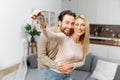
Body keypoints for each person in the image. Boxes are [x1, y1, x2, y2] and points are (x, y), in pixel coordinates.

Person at [31, 10, 89, 80]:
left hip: (63, 71)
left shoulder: (71, 36)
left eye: (72, 23)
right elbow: (42, 56)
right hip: (45, 68)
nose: (70, 27)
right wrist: (42, 23)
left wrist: (70, 66)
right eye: (67, 23)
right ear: (59, 22)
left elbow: (77, 57)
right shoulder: (47, 34)